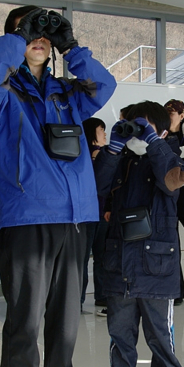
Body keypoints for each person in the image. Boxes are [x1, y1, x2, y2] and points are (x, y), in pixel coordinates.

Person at [0, 6, 117, 367]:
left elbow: (104, 86)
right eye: (27, 31)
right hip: (26, 215)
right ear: (11, 37)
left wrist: (71, 46)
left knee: (67, 314)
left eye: (43, 33)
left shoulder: (67, 93)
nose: (38, 38)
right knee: (24, 317)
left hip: (74, 216)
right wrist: (18, 39)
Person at [94, 101, 184, 367]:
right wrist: (112, 150)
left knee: (160, 331)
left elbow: (175, 180)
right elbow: (94, 187)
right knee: (120, 331)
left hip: (156, 262)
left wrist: (154, 142)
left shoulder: (168, 156)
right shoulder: (118, 159)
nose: (135, 131)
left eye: (142, 125)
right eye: (131, 124)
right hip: (119, 259)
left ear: (160, 130)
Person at [165, 98, 184, 305]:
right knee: (171, 244)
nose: (169, 115)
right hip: (168, 195)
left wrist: (182, 179)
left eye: (172, 112)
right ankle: (177, 290)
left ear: (182, 114)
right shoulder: (161, 135)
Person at [81, 116, 108, 314]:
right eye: (101, 130)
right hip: (97, 213)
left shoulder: (79, 155)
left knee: (81, 258)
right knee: (100, 257)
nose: (105, 134)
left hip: (88, 214)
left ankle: (77, 299)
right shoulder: (99, 156)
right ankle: (102, 296)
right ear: (92, 136)